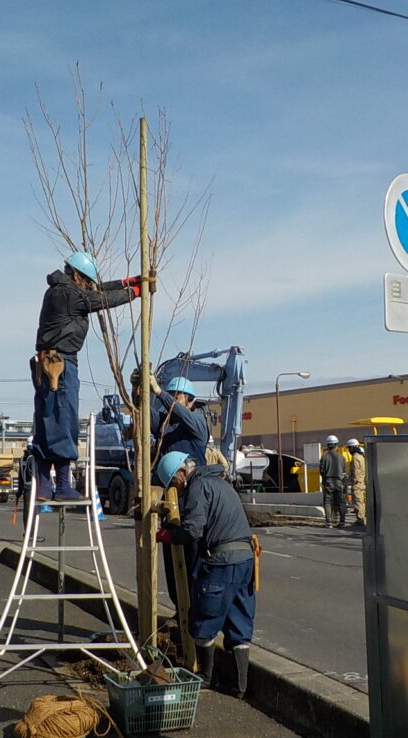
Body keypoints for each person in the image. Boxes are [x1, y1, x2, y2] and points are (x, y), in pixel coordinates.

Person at [32, 251, 152, 500]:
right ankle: (63, 486)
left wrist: (126, 282)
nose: (88, 285)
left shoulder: (60, 290)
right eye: (86, 281)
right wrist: (135, 293)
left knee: (47, 422)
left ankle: (44, 486)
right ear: (76, 276)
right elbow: (97, 300)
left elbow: (95, 291)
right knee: (63, 421)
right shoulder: (68, 295)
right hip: (61, 366)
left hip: (48, 364)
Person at [155, 450, 256, 698]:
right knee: (238, 619)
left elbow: (192, 531)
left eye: (174, 483)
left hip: (223, 561)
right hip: (246, 559)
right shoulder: (219, 483)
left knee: (203, 615)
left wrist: (166, 535)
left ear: (181, 472)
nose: (175, 489)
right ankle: (238, 686)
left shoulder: (198, 487)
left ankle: (206, 676)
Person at [149, 376, 209, 611]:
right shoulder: (165, 426)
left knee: (195, 561)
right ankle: (180, 611)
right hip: (170, 502)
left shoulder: (197, 423)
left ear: (191, 402)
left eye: (177, 397)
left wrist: (161, 393)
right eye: (169, 396)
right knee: (173, 566)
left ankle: (196, 614)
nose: (170, 402)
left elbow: (181, 414)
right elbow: (147, 415)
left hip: (194, 502)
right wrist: (141, 391)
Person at [319, 435, 346, 527]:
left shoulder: (324, 457)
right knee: (341, 501)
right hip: (339, 481)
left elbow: (322, 471)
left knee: (327, 502)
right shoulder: (342, 457)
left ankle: (328, 522)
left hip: (328, 481)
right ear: (336, 445)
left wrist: (324, 481)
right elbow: (344, 471)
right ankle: (342, 521)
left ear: (327, 445)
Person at [346, 438, 366, 529]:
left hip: (357, 482)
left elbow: (356, 471)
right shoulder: (361, 456)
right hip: (362, 481)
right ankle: (361, 518)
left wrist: (352, 480)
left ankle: (360, 520)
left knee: (358, 501)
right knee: (361, 501)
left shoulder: (355, 457)